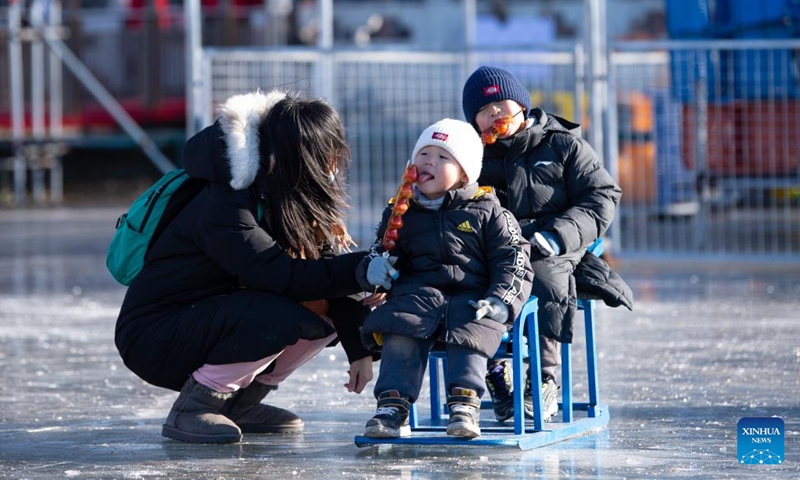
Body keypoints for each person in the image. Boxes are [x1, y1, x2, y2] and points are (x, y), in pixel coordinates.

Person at [115, 90, 381, 444]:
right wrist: (363, 268)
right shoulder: (225, 203)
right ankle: (194, 407)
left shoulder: (288, 193)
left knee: (322, 314)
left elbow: (327, 271)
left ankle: (239, 404)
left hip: (214, 316)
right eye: (326, 156)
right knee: (280, 315)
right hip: (157, 334)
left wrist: (358, 347)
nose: (333, 166)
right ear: (297, 157)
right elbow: (279, 276)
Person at [461, 66, 622, 423]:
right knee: (465, 280)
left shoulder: (563, 144)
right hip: (497, 244)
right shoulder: (475, 157)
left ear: (521, 104)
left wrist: (558, 235)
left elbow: (602, 195)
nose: (496, 115)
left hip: (556, 241)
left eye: (501, 104)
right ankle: (497, 371)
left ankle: (544, 378)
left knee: (543, 277)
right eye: (485, 112)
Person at [356, 118, 533, 439]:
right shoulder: (401, 211)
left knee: (473, 327)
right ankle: (392, 405)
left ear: (464, 172)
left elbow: (514, 259)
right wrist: (373, 269)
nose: (428, 162)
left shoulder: (489, 211)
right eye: (424, 154)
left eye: (441, 157)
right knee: (399, 325)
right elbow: (379, 251)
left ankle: (464, 404)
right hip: (417, 296)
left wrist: (501, 301)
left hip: (473, 297)